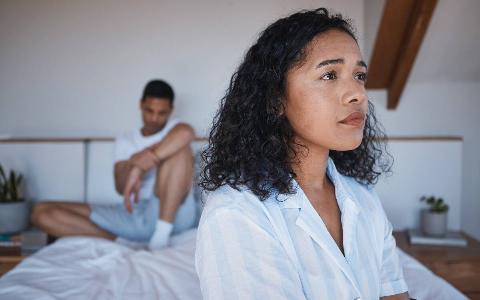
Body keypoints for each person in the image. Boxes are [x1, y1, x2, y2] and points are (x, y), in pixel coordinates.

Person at [196, 8, 410, 300]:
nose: (358, 94)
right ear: (275, 100)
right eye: (329, 74)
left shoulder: (364, 200)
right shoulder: (236, 213)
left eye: (360, 75)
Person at [31, 79, 198, 250]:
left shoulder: (175, 128)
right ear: (140, 105)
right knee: (41, 212)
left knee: (180, 150)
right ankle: (122, 242)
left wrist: (141, 165)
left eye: (161, 113)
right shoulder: (125, 141)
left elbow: (186, 133)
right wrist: (133, 164)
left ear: (171, 110)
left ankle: (161, 234)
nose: (154, 118)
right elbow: (120, 187)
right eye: (149, 110)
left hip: (173, 214)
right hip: (134, 215)